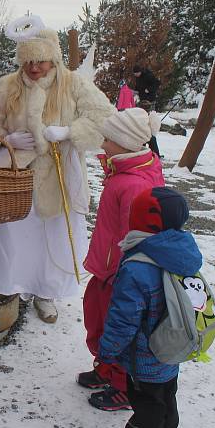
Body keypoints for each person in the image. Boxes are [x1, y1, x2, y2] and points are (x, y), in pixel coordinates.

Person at [0, 15, 115, 323]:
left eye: (41, 62)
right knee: (8, 230)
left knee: (52, 233)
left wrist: (69, 132)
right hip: (16, 172)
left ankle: (44, 291)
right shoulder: (9, 85)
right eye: (28, 62)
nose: (34, 68)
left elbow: (103, 117)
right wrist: (5, 139)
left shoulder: (74, 84)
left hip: (59, 172)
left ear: (52, 58)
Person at [77, 108, 165, 411]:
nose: (102, 143)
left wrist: (121, 272)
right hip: (107, 265)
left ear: (126, 143)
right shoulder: (125, 171)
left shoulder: (134, 184)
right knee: (97, 317)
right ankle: (106, 366)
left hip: (118, 271)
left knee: (118, 324)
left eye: (108, 139)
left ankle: (123, 385)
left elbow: (136, 235)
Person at [99, 186, 201, 428]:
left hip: (145, 358)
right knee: (167, 399)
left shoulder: (137, 266)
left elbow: (123, 319)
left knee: (147, 410)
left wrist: (107, 351)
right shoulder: (181, 251)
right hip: (173, 349)